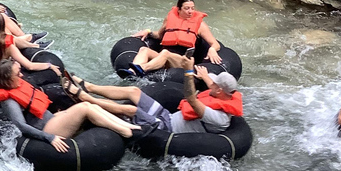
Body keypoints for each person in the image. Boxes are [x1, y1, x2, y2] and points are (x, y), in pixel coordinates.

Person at [0, 59, 139, 152]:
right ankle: (125, 132)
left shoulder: (15, 85)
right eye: (17, 73)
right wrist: (49, 138)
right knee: (84, 107)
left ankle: (128, 126)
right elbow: (21, 125)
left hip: (51, 120)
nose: (21, 75)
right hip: (47, 129)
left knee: (88, 105)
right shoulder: (8, 101)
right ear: (7, 78)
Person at [63, 56, 242, 134]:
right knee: (134, 91)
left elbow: (191, 99)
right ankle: (89, 86)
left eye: (214, 83)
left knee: (131, 110)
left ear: (219, 90)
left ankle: (87, 99)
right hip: (167, 116)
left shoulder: (218, 117)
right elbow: (215, 87)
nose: (211, 83)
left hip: (165, 129)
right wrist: (206, 78)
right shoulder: (223, 94)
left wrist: (188, 72)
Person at [123, 0, 222, 77]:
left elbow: (215, 44)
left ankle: (142, 68)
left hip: (182, 61)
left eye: (192, 8)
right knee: (144, 50)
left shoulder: (200, 25)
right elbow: (159, 35)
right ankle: (131, 72)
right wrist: (148, 32)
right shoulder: (170, 19)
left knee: (165, 53)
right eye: (186, 8)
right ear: (178, 9)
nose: (190, 11)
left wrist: (212, 49)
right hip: (163, 58)